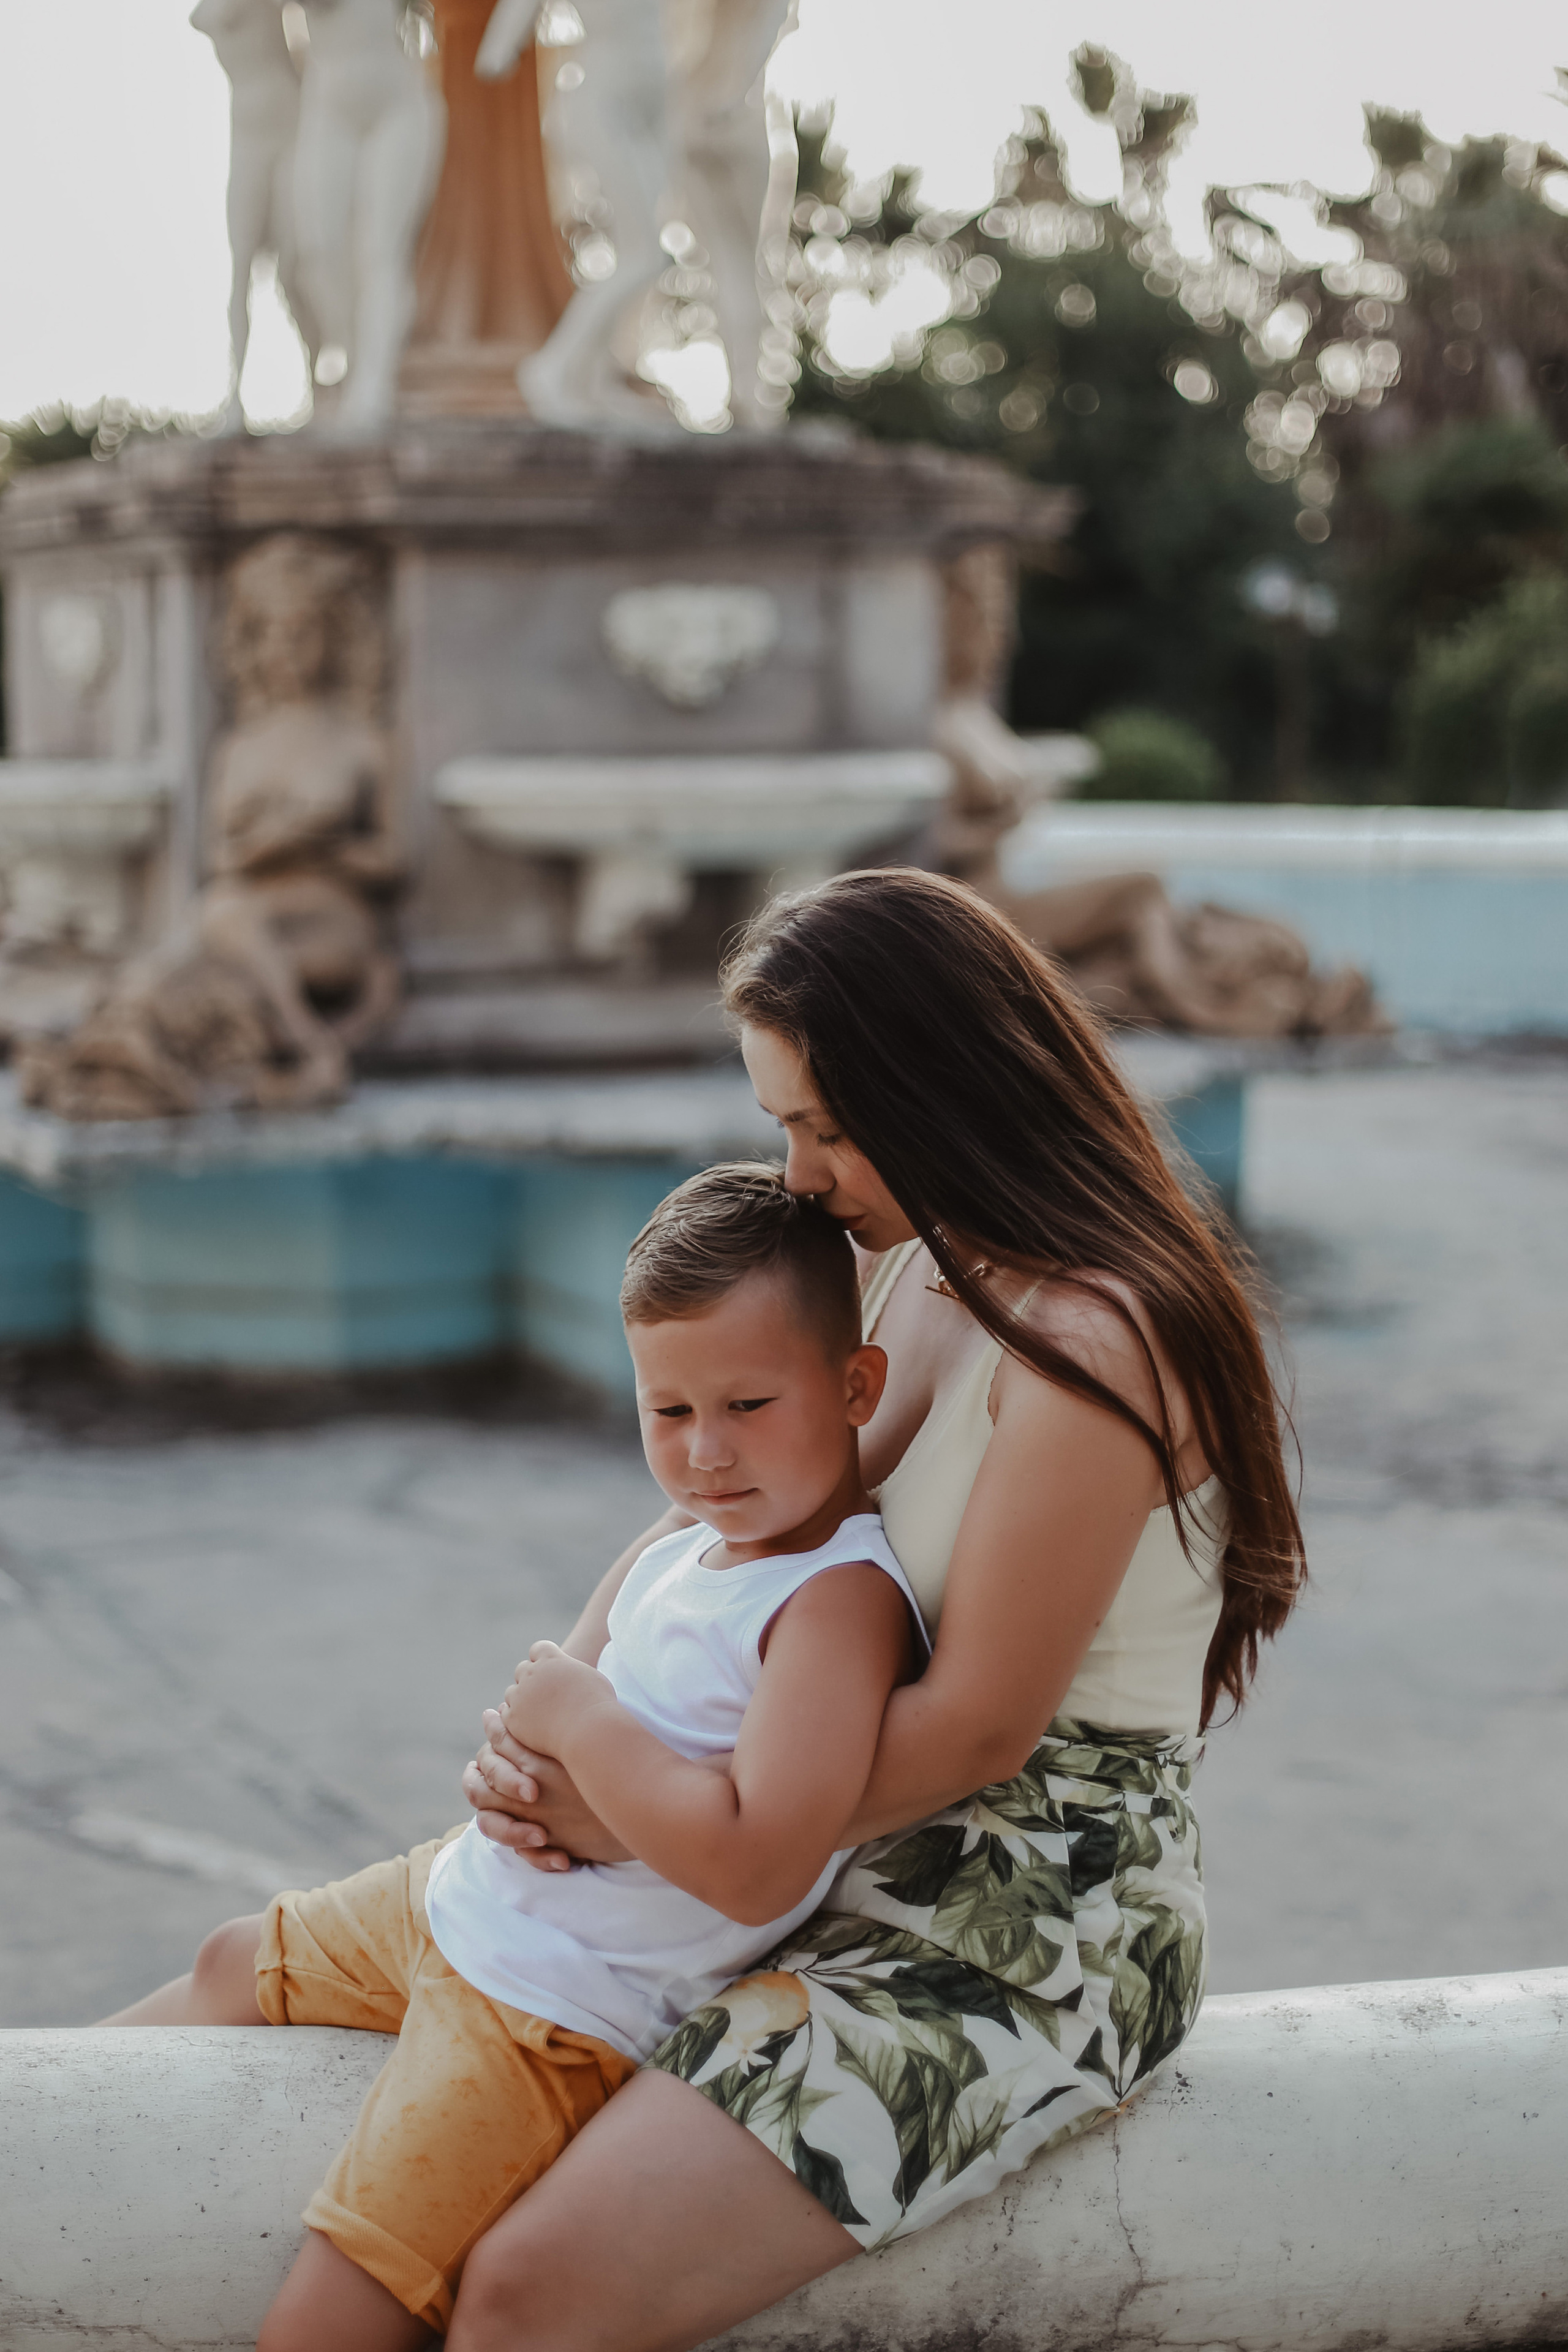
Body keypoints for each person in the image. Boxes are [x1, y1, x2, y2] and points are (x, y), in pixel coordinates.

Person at [443, 867, 1306, 2351]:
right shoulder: (914, 1276)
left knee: (530, 2293)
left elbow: (977, 1727)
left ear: (942, 1087)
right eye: (784, 1124)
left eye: (825, 1129)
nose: (795, 1176)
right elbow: (717, 1518)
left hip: (1037, 1917)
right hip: (813, 1821)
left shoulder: (1095, 1338)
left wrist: (650, 1810)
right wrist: (557, 1742)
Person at [99, 1165, 922, 2351]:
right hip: (463, 1895)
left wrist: (575, 1722)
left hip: (548, 2014)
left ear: (855, 1387)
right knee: (234, 1958)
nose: (703, 1455)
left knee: (343, 2293)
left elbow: (754, 1863)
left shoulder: (835, 1601)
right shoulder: (697, 1544)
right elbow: (562, 1688)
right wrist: (515, 1763)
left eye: (747, 1406)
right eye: (667, 1413)